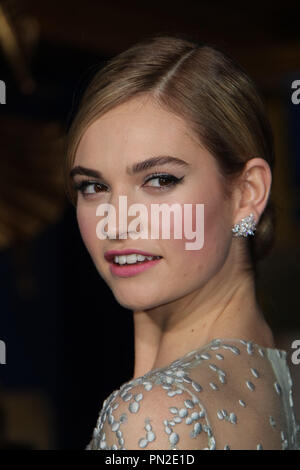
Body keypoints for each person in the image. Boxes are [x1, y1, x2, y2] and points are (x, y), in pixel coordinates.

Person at [64, 33, 300, 450]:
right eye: (93, 186)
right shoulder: (285, 375)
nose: (116, 222)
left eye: (159, 180)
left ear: (247, 193)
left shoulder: (152, 413)